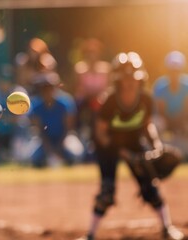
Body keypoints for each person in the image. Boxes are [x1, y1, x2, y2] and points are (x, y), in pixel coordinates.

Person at [78, 52, 184, 240]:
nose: (129, 83)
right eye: (124, 79)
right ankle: (90, 235)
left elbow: (147, 125)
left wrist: (156, 145)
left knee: (149, 186)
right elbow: (101, 134)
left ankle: (167, 228)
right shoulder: (110, 101)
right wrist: (123, 153)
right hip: (109, 147)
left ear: (140, 78)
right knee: (106, 191)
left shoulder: (145, 99)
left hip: (134, 142)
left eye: (133, 78)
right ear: (117, 81)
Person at [28, 71, 84, 167]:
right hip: (45, 140)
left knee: (74, 156)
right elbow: (39, 131)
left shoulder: (65, 102)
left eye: (50, 87)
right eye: (45, 88)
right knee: (35, 158)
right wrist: (50, 149)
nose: (48, 91)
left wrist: (58, 148)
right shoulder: (36, 105)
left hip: (64, 138)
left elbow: (68, 129)